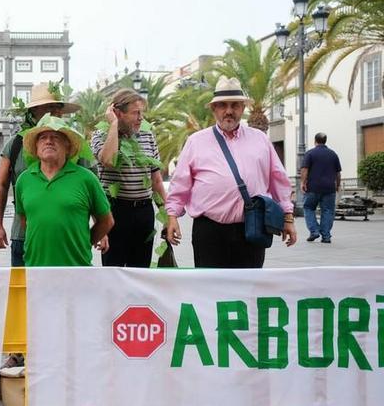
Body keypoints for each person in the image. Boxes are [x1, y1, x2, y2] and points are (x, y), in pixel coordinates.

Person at [165, 77, 297, 268]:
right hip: (209, 231)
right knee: (209, 289)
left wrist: (288, 218)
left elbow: (279, 180)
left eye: (235, 105)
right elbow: (180, 183)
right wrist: (172, 217)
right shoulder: (196, 141)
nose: (229, 111)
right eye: (222, 105)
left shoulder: (260, 139)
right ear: (214, 109)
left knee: (249, 288)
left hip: (252, 227)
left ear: (243, 109)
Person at [0, 82, 81, 266]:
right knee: (25, 291)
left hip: (67, 236)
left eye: (58, 108)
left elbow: (89, 183)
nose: (56, 112)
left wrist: (100, 232)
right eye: (50, 107)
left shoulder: (74, 143)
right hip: (23, 235)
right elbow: (1, 186)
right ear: (34, 111)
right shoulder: (15, 144)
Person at [15, 114, 113, 266]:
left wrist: (84, 243)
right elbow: (25, 221)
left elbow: (106, 221)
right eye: (43, 137)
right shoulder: (24, 180)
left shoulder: (86, 178)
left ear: (67, 146)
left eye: (55, 137)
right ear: (36, 146)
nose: (48, 141)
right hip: (34, 269)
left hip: (76, 269)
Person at [92, 88, 166, 267]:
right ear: (117, 113)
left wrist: (168, 216)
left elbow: (156, 180)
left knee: (141, 273)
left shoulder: (148, 136)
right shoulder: (100, 136)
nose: (141, 118)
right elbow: (109, 160)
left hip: (144, 212)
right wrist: (113, 125)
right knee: (114, 273)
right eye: (135, 113)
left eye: (141, 113)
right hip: (115, 212)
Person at [301, 132, 342, 243]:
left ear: (315, 141)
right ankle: (326, 236)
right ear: (325, 141)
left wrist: (303, 183)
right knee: (328, 211)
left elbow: (304, 169)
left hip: (312, 187)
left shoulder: (310, 153)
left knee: (308, 208)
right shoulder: (333, 154)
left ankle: (314, 231)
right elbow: (338, 173)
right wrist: (337, 185)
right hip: (329, 188)